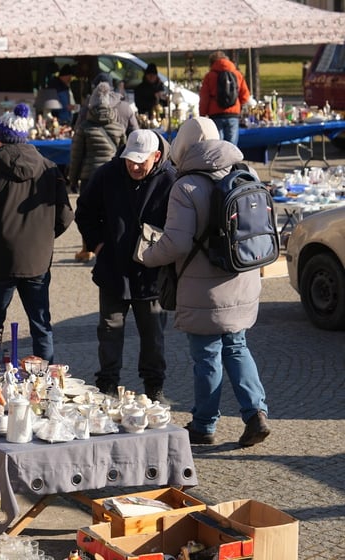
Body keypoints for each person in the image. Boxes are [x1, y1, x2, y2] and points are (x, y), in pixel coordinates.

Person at [141, 117, 270, 447]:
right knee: (237, 347)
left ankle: (203, 425)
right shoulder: (246, 173)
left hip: (205, 287)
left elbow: (176, 244)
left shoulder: (185, 187)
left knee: (207, 356)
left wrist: (145, 255)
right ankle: (256, 412)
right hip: (244, 276)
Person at [0, 103, 74, 364]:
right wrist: (44, 238)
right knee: (40, 322)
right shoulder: (50, 168)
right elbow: (65, 215)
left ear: (0, 137)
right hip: (37, 259)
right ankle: (45, 378)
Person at [74, 129, 176, 403]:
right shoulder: (108, 173)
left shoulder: (170, 179)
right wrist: (97, 244)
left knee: (153, 335)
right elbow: (84, 209)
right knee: (109, 330)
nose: (134, 166)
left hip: (151, 272)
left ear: (156, 157)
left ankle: (154, 387)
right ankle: (107, 384)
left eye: (141, 161)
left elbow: (179, 224)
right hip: (113, 269)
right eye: (130, 159)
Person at [69, 81, 126, 262]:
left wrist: (72, 179)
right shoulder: (119, 127)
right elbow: (124, 154)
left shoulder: (84, 127)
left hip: (89, 176)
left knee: (87, 213)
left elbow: (76, 156)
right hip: (112, 177)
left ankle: (88, 248)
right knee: (110, 211)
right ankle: (110, 244)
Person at [199, 51, 250, 146]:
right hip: (233, 114)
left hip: (215, 114)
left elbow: (204, 98)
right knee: (232, 147)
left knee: (217, 146)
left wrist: (202, 114)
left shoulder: (209, 76)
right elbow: (245, 96)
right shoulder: (237, 74)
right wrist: (237, 103)